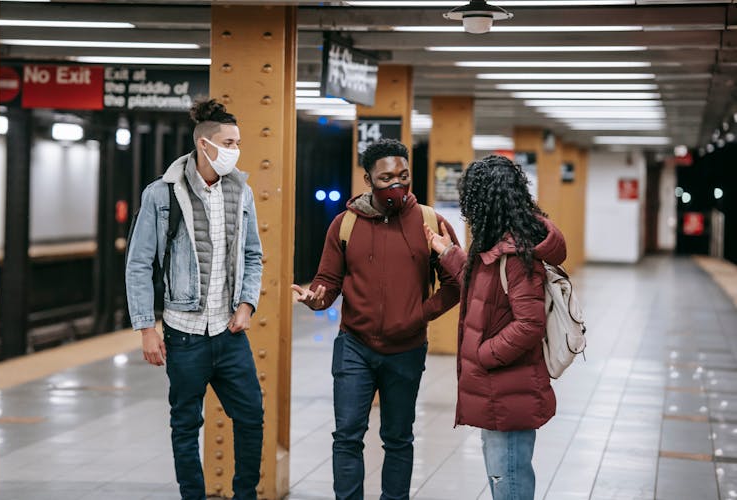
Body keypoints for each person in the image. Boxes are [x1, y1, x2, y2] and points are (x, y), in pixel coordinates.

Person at [292, 138, 461, 500]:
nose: (396, 185)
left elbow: (457, 282)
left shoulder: (431, 222)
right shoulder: (345, 224)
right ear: (368, 180)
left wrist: (420, 315)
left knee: (398, 438)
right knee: (347, 436)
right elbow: (328, 282)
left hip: (408, 350)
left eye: (403, 176)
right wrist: (317, 298)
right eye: (386, 178)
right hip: (354, 346)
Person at [125, 99, 264, 500]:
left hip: (230, 332)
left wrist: (246, 304)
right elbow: (138, 264)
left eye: (238, 142)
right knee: (185, 424)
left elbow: (253, 253)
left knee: (251, 417)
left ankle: (245, 495)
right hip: (184, 335)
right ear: (205, 145)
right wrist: (146, 328)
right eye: (229, 142)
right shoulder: (162, 195)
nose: (236, 150)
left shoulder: (242, 192)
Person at [425, 155, 567, 500]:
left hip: (508, 390)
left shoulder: (517, 255)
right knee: (503, 478)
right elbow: (482, 291)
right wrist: (448, 253)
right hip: (498, 391)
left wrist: (483, 353)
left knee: (511, 485)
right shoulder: (497, 246)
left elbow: (529, 324)